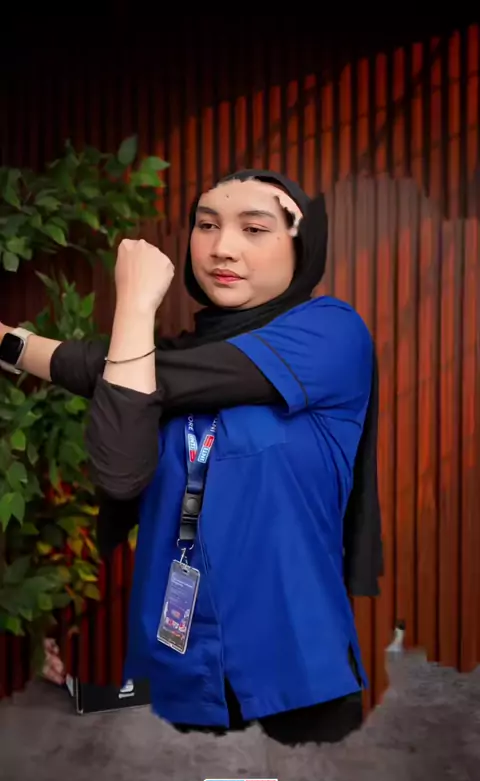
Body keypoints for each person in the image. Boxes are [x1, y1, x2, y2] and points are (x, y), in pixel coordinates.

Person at [0, 170, 382, 746]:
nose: (222, 247)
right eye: (207, 225)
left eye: (254, 228)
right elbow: (120, 475)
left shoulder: (330, 333)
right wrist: (128, 316)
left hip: (293, 674)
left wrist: (111, 316)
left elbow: (152, 375)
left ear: (301, 247)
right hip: (174, 671)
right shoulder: (143, 366)